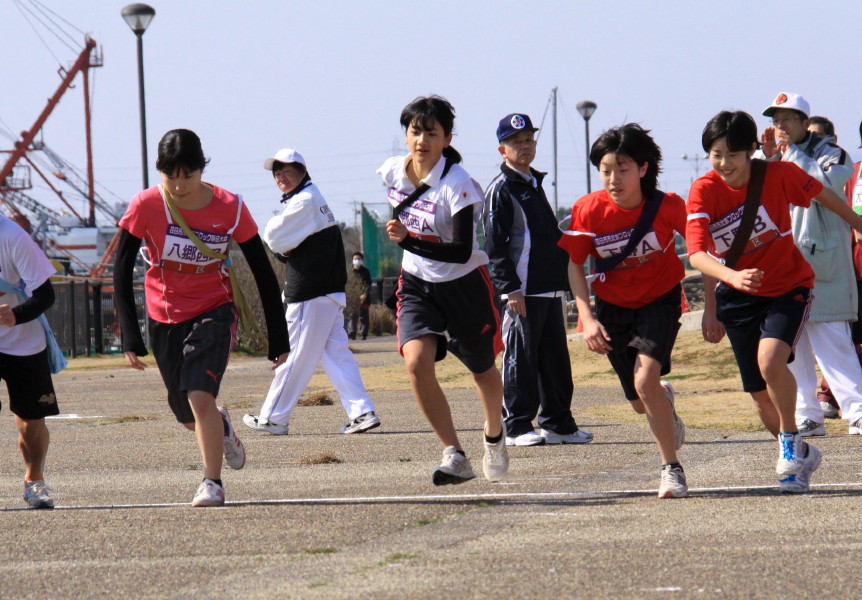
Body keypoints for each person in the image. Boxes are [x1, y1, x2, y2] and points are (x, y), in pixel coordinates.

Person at [687, 110, 862, 493]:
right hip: (737, 293)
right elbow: (696, 253)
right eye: (715, 154)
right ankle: (802, 451)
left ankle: (788, 454)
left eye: (733, 154)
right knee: (760, 398)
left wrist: (859, 224)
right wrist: (728, 281)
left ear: (752, 150)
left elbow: (824, 196)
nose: (724, 163)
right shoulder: (703, 189)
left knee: (771, 361)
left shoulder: (777, 175)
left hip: (788, 287)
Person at [114, 129, 290, 507]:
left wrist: (279, 337)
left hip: (214, 308)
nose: (178, 186)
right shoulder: (145, 204)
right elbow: (121, 267)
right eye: (169, 176)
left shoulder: (230, 205)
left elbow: (262, 269)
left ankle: (212, 482)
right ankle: (222, 425)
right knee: (188, 415)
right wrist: (131, 334)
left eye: (187, 176)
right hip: (164, 314)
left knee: (199, 393)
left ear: (201, 169)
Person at [380, 95, 508, 485]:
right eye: (415, 131)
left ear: (447, 138)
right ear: (406, 135)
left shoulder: (459, 186)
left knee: (483, 371)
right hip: (417, 284)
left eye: (431, 133)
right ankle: (453, 453)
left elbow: (459, 250)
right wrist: (411, 249)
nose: (421, 140)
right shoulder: (391, 172)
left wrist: (408, 241)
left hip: (464, 284)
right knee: (416, 363)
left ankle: (494, 434)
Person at [559, 123, 688, 498]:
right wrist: (587, 318)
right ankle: (664, 401)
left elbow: (699, 247)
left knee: (643, 381)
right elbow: (574, 265)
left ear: (644, 168)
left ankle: (671, 469)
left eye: (623, 169)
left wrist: (713, 303)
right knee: (638, 401)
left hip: (660, 300)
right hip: (612, 306)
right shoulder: (587, 210)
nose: (613, 179)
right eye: (605, 170)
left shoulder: (669, 206)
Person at [243, 149, 380, 436]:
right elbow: (284, 243)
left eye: (287, 171)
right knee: (337, 356)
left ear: (303, 172)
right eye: (277, 173)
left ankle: (273, 418)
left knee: (293, 357)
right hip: (327, 292)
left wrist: (283, 240)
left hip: (310, 293)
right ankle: (362, 412)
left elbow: (273, 237)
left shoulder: (305, 200)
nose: (281, 176)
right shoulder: (311, 198)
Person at [754, 94, 862, 438]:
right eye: (775, 120)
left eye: (787, 119)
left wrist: (790, 155)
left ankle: (857, 410)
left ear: (804, 122)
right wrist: (767, 157)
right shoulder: (769, 156)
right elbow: (748, 187)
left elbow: (823, 186)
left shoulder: (833, 153)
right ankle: (808, 414)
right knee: (791, 344)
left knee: (832, 339)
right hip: (783, 263)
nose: (780, 127)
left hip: (824, 261)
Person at [483, 112, 592, 447]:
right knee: (520, 358)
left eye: (529, 139)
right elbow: (495, 245)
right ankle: (516, 425)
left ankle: (558, 423)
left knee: (554, 360)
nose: (525, 146)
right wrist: (510, 289)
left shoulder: (534, 183)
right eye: (516, 142)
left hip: (549, 288)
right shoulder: (501, 189)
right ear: (502, 150)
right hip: (522, 292)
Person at [0, 214, 61, 509]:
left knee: (31, 421)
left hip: (22, 340)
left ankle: (34, 481)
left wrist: (16, 315)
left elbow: (46, 295)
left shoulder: (13, 237)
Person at [345, 251, 372, 340]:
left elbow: (368, 284)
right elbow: (347, 284)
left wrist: (364, 294)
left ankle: (363, 333)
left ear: (362, 260)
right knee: (352, 315)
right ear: (352, 260)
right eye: (355, 259)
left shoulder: (365, 272)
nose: (357, 261)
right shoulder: (349, 272)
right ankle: (352, 332)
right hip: (353, 298)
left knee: (363, 316)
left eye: (359, 259)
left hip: (364, 298)